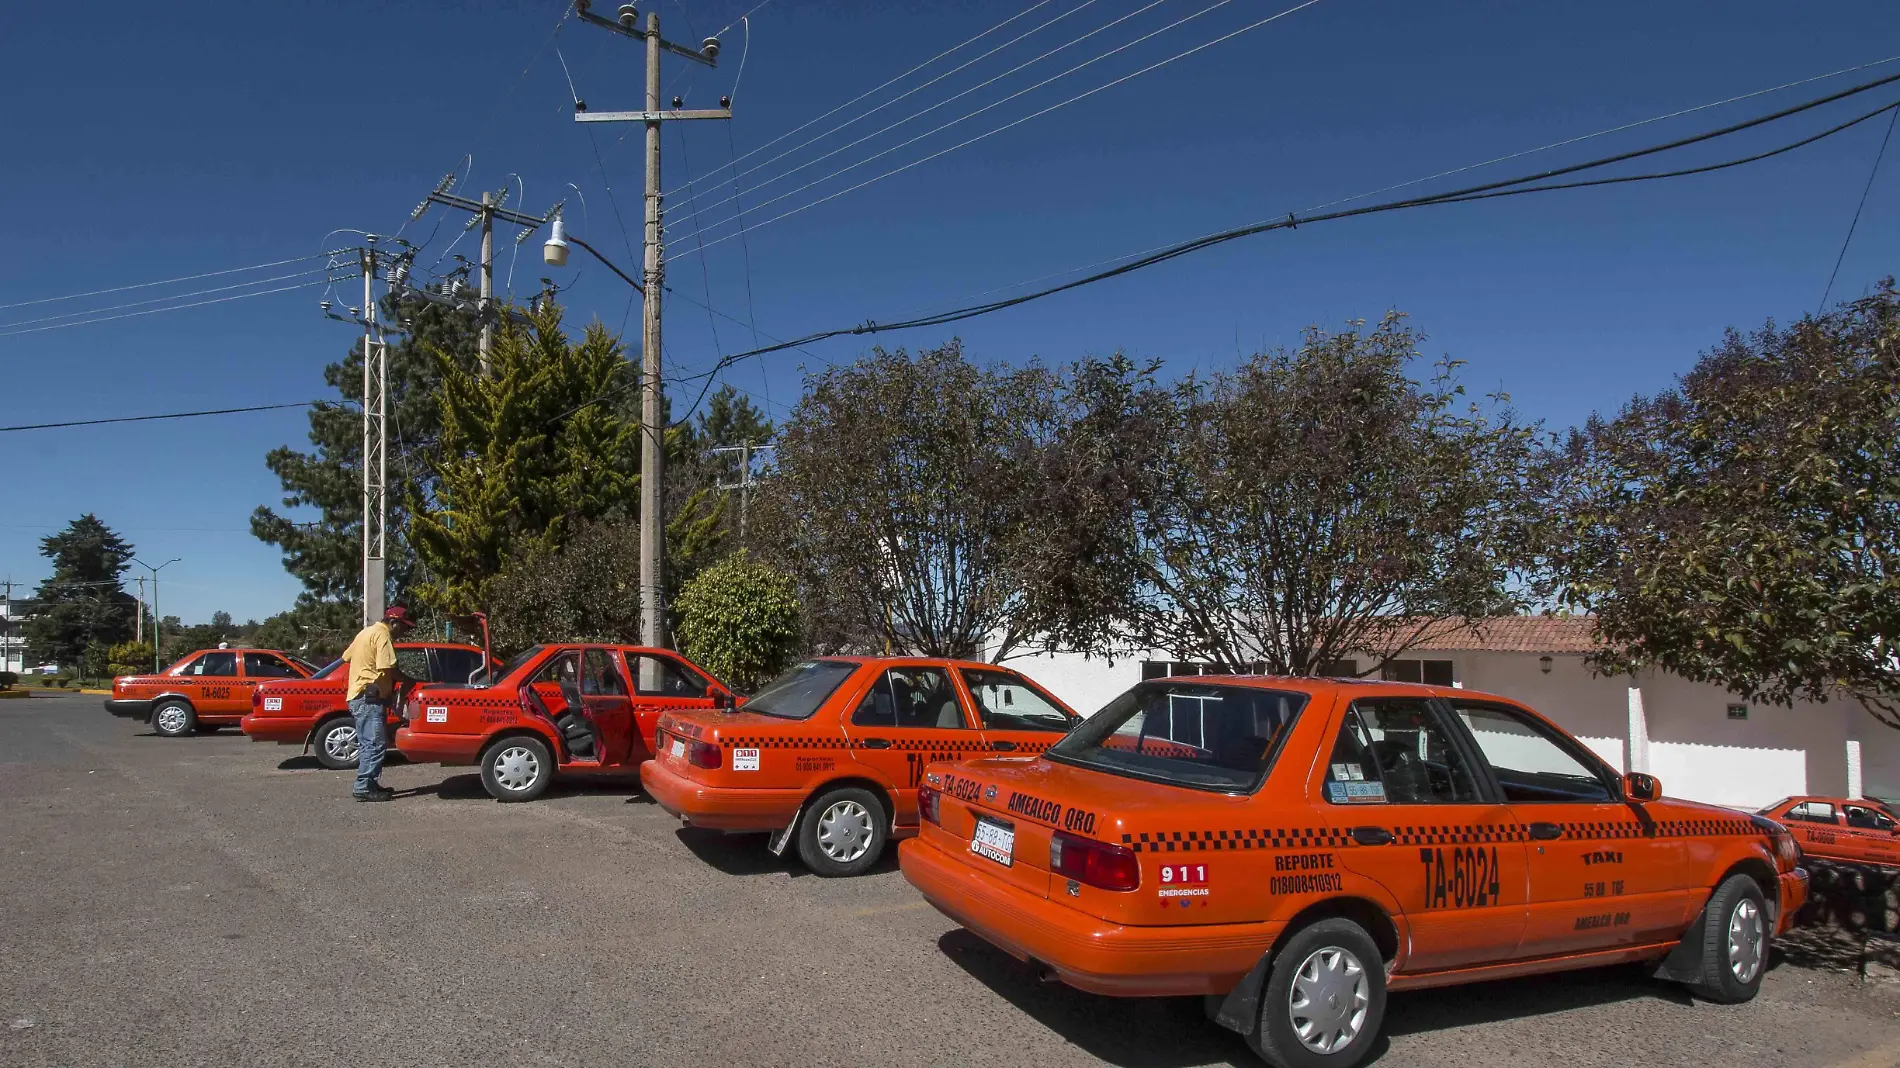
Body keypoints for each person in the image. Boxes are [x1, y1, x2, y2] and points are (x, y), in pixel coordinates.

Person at [341, 605, 417, 801]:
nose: (404, 632)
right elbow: (387, 668)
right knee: (375, 744)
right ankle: (363, 786)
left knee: (368, 743)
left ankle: (370, 784)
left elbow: (346, 656)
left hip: (360, 696)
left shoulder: (365, 633)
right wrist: (407, 680)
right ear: (393, 622)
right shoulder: (383, 636)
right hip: (369, 698)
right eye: (403, 627)